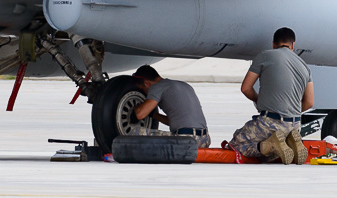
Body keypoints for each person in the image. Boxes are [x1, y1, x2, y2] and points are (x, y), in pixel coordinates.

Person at [229, 27, 313, 164]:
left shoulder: (265, 56)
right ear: (293, 45)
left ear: (274, 44)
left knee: (237, 143)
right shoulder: (304, 66)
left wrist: (258, 100)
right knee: (274, 152)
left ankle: (272, 145)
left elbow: (245, 88)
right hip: (296, 124)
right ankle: (291, 142)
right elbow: (309, 102)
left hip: (271, 122)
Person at [131, 66, 211, 148]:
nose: (146, 93)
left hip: (185, 140)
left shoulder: (157, 87)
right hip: (204, 140)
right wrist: (154, 115)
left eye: (143, 89)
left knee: (136, 132)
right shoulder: (184, 85)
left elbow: (140, 115)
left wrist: (137, 107)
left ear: (147, 83)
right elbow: (177, 121)